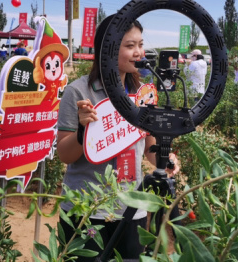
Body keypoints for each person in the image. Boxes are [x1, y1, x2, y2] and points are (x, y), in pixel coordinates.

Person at [56, 16, 179, 261]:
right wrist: (83, 132)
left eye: (140, 45)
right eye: (129, 46)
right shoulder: (79, 92)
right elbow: (64, 154)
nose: (138, 53)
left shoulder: (143, 94)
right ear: (108, 49)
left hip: (132, 209)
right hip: (86, 209)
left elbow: (149, 148)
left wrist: (165, 158)